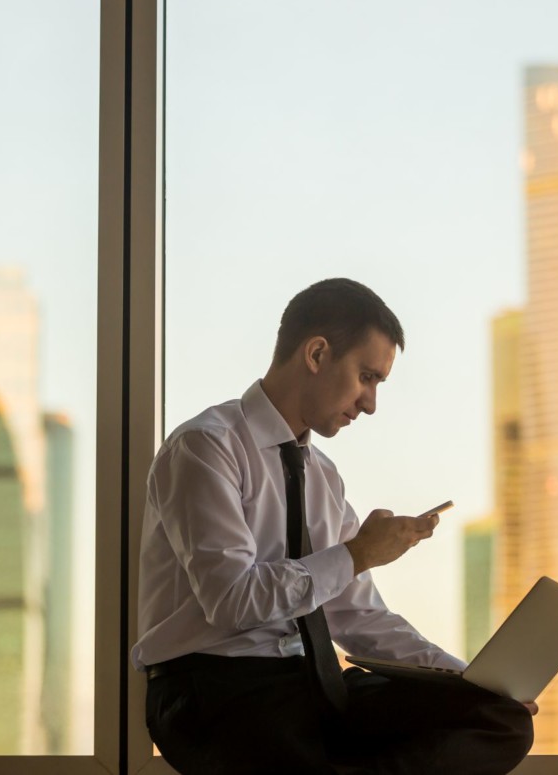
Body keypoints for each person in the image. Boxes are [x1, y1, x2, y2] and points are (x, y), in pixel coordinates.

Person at [132, 278, 535, 774]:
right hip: (215, 691)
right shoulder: (205, 448)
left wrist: (469, 680)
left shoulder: (322, 476)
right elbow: (232, 601)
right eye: (366, 376)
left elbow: (359, 618)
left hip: (312, 684)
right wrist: (356, 554)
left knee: (499, 718)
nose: (370, 403)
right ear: (317, 353)